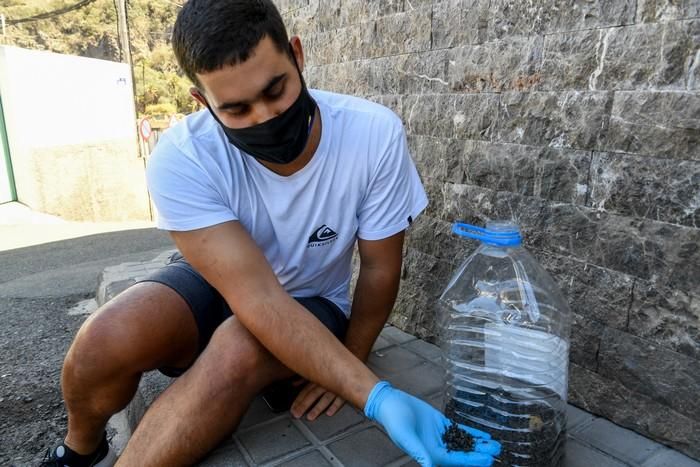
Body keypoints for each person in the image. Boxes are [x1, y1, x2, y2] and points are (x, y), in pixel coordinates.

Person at [40, 1, 501, 466]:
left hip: (314, 301)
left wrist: (352, 365)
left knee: (239, 346)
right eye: (236, 109)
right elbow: (255, 296)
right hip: (225, 283)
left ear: (297, 56)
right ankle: (79, 450)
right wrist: (376, 396)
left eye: (276, 90)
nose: (264, 117)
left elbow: (381, 267)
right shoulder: (183, 157)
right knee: (107, 338)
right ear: (203, 102)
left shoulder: (372, 133)